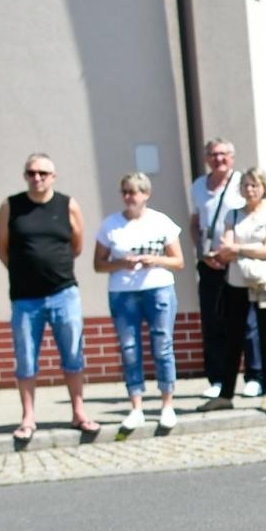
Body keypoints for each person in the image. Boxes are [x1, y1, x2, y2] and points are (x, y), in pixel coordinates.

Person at [0, 153, 98, 439]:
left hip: (64, 293)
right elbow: (2, 249)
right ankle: (28, 418)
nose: (37, 177)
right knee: (26, 358)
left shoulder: (67, 204)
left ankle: (79, 413)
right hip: (25, 299)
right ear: (25, 175)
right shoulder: (10, 206)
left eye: (42, 173)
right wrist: (25, 271)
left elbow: (76, 245)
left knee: (73, 355)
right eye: (31, 172)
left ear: (53, 176)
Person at [93, 172, 184, 430]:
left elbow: (178, 261)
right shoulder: (110, 224)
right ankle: (136, 407)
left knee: (162, 345)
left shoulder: (161, 222)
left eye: (134, 192)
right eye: (125, 192)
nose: (129, 197)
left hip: (158, 289)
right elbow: (98, 264)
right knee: (129, 348)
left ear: (146, 194)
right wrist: (122, 263)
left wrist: (154, 260)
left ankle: (167, 404)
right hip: (123, 292)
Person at [198, 168, 266, 414]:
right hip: (236, 281)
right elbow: (225, 248)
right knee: (233, 338)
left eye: (254, 185)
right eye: (245, 185)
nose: (249, 190)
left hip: (263, 281)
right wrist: (239, 249)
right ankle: (226, 393)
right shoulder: (233, 215)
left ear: (263, 188)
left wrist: (239, 248)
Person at [189, 138, 261, 400]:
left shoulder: (242, 183)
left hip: (236, 261)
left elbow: (255, 214)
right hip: (209, 262)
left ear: (231, 157)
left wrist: (230, 251)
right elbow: (195, 222)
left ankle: (254, 376)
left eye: (223, 155)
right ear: (207, 158)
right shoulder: (198, 186)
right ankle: (217, 378)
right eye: (212, 155)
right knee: (212, 321)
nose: (218, 159)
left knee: (247, 321)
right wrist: (202, 251)